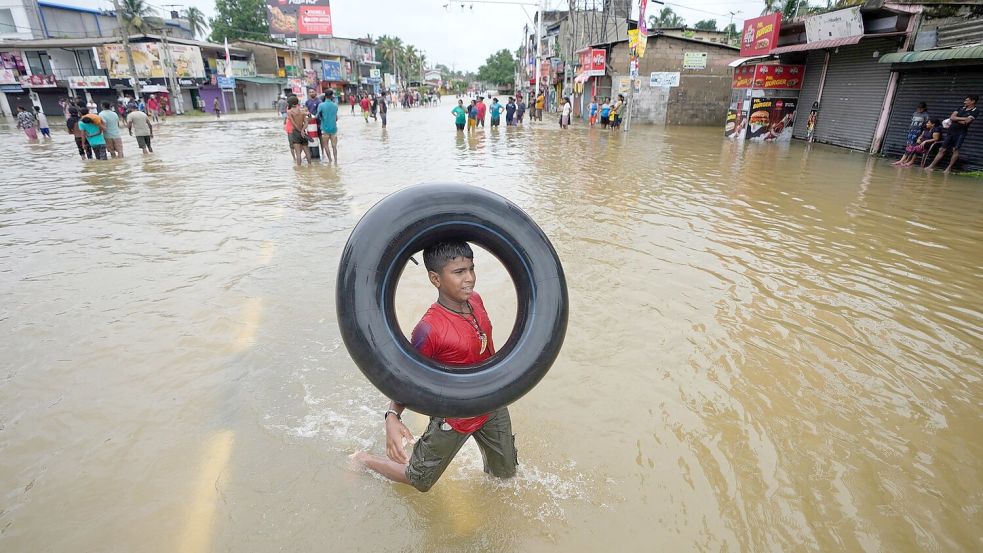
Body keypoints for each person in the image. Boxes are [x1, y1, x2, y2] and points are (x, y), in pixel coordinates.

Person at [352, 241, 518, 493]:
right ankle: (363, 460)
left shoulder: (477, 300)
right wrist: (393, 415)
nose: (470, 279)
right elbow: (406, 376)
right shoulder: (428, 330)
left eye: (472, 269)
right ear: (435, 278)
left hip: (490, 405)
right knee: (419, 479)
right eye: (459, 272)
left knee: (505, 476)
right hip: (454, 415)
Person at [926, 95, 978, 172]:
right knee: (942, 149)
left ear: (973, 101)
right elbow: (952, 117)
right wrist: (962, 119)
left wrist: (957, 119)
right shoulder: (961, 108)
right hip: (951, 131)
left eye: (967, 100)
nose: (965, 102)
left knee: (955, 150)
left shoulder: (975, 111)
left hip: (960, 133)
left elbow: (967, 122)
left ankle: (948, 168)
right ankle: (931, 166)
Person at [286, 95, 311, 165]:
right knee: (307, 151)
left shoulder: (289, 112)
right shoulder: (303, 111)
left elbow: (293, 123)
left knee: (298, 153)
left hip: (296, 132)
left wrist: (300, 131)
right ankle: (310, 166)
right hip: (303, 133)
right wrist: (303, 130)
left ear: (290, 103)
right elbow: (306, 122)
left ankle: (299, 170)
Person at [316, 89, 340, 163]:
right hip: (334, 129)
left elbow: (317, 116)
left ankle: (330, 160)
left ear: (325, 96)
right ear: (332, 96)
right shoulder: (335, 106)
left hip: (325, 129)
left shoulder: (321, 105)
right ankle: (336, 161)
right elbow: (336, 118)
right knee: (334, 146)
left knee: (326, 145)